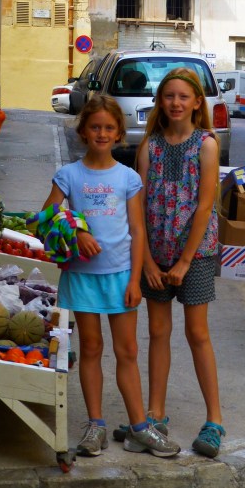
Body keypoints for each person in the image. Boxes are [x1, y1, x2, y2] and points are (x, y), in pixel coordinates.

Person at [42, 94, 180, 459]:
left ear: (119, 133)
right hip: (82, 276)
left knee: (128, 351)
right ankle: (96, 426)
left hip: (120, 275)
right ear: (83, 131)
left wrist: (135, 280)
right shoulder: (68, 175)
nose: (101, 133)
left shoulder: (128, 177)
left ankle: (139, 427)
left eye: (108, 128)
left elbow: (137, 231)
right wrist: (78, 230)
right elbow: (45, 217)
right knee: (90, 347)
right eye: (95, 127)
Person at [136, 67, 225, 458]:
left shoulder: (206, 144)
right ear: (160, 102)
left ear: (196, 103)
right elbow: (137, 205)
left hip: (197, 253)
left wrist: (185, 261)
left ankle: (215, 420)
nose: (175, 103)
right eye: (168, 96)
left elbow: (205, 205)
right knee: (157, 332)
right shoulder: (149, 146)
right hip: (156, 253)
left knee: (197, 333)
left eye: (183, 97)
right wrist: (148, 262)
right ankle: (155, 413)